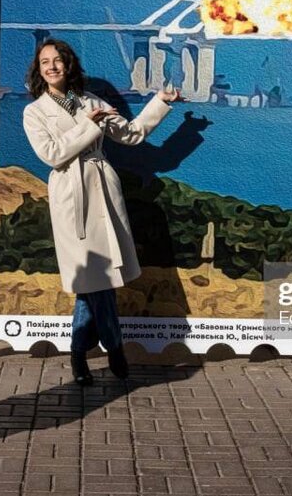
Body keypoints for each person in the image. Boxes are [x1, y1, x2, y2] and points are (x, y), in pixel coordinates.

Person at [22, 39, 180, 385]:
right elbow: (52, 154)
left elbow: (131, 134)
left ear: (68, 64)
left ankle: (79, 354)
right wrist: (89, 126)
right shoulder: (34, 112)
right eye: (45, 62)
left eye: (57, 60)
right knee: (94, 279)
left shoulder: (91, 101)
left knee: (95, 280)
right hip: (71, 193)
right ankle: (113, 345)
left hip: (103, 189)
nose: (52, 67)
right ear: (39, 70)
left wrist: (160, 102)